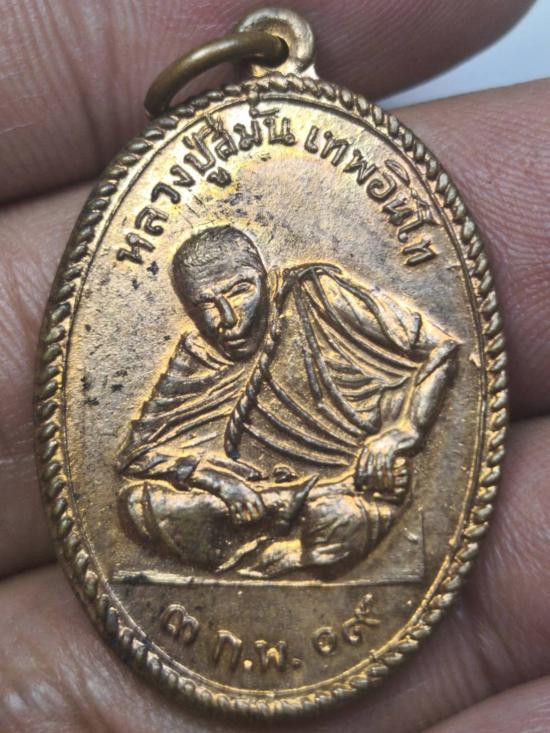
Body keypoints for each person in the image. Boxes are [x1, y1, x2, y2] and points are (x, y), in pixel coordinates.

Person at [117, 226, 458, 577]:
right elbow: (137, 455)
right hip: (255, 499)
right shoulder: (198, 353)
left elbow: (441, 348)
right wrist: (215, 479)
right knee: (138, 505)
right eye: (206, 304)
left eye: (239, 291)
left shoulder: (317, 293)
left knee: (343, 515)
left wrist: (405, 430)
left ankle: (290, 544)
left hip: (347, 490)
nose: (227, 319)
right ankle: (284, 539)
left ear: (265, 279)